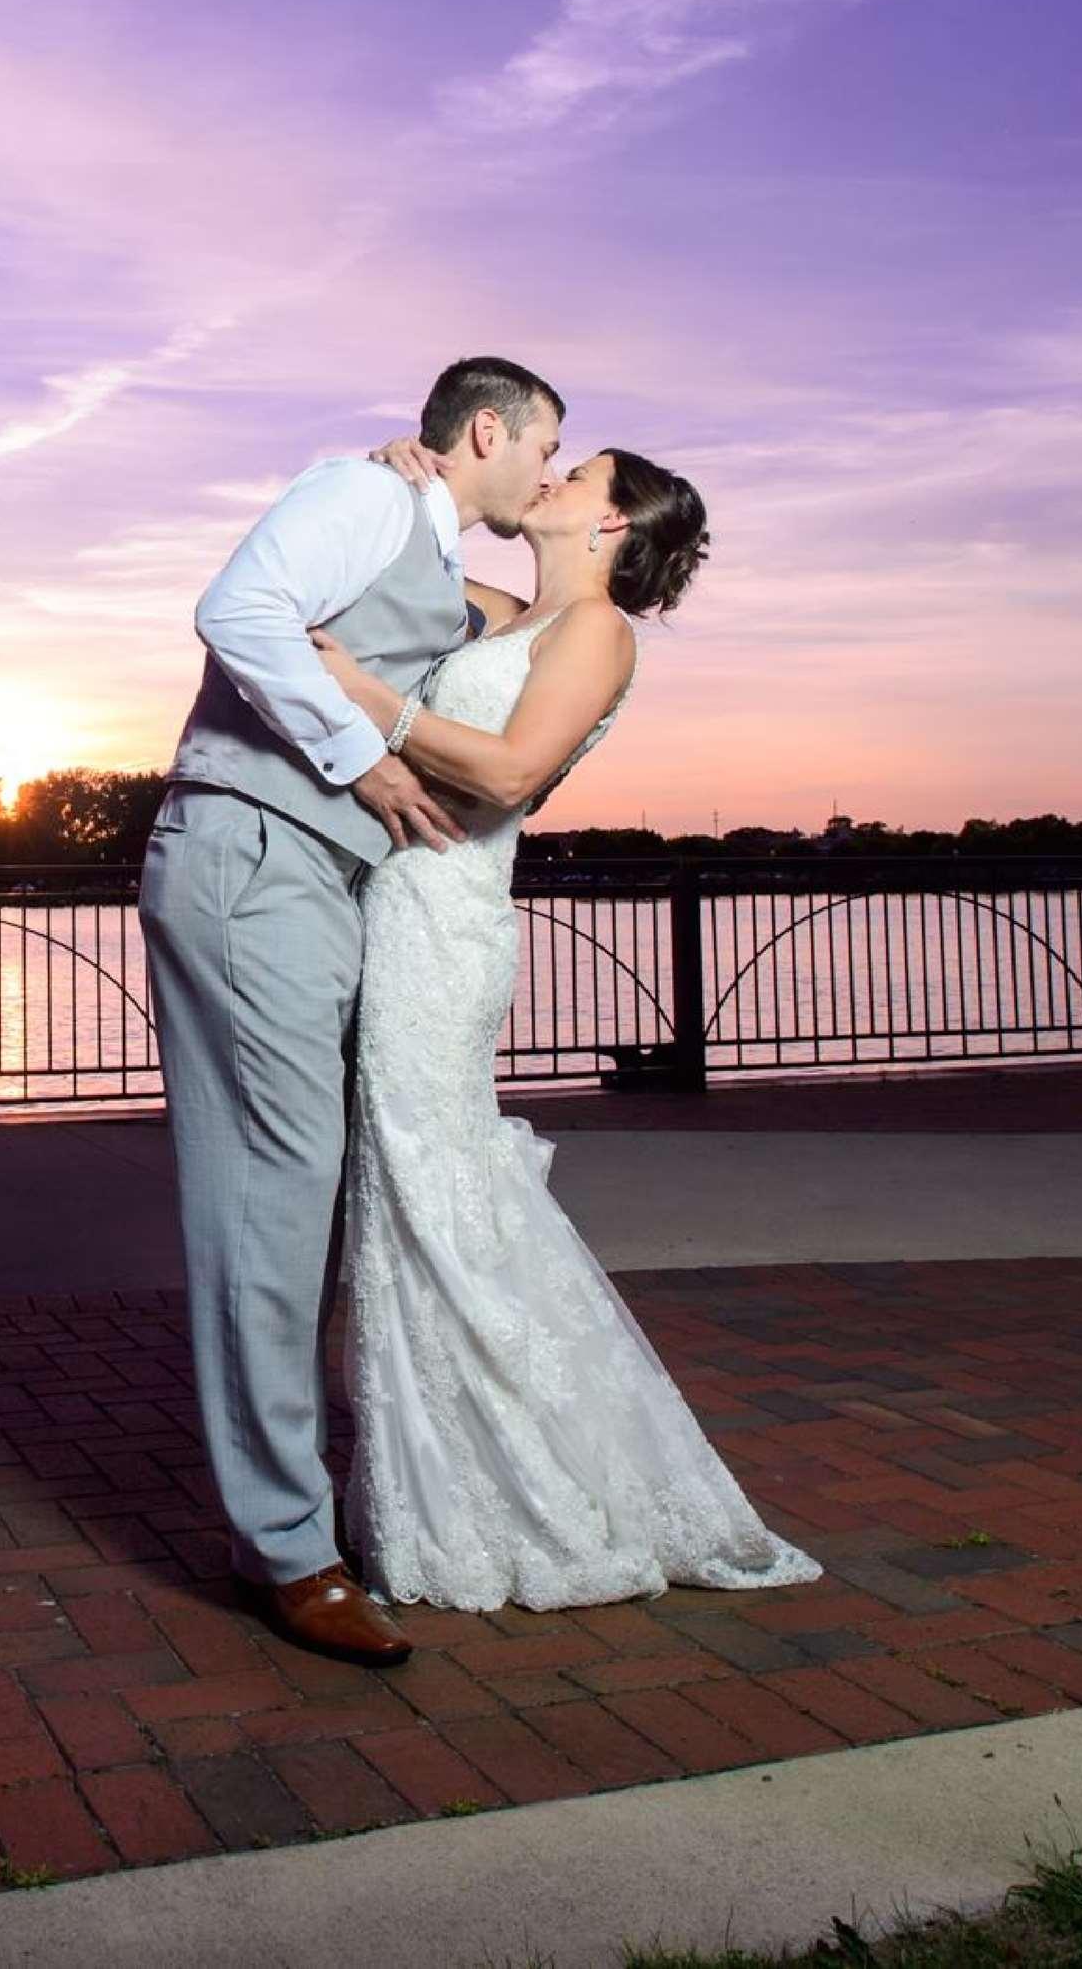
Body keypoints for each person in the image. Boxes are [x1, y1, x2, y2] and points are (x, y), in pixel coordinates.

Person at [310, 441, 819, 1611]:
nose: (549, 481)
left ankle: (517, 1487)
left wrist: (370, 699)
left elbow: (512, 770)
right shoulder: (498, 613)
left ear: (611, 527)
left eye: (577, 475)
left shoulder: (598, 632)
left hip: (443, 929)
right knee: (403, 1195)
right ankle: (441, 1479)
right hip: (390, 911)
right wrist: (412, 478)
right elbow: (404, 569)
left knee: (435, 1193)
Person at [141, 357, 570, 1665]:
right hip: (255, 853)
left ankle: (278, 1521)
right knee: (283, 1187)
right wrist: (363, 762)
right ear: (486, 429)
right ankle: (289, 1548)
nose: (548, 472)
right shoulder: (361, 495)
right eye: (544, 445)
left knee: (287, 1196)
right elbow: (237, 607)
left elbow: (516, 645)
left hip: (306, 877)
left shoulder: (425, 546)